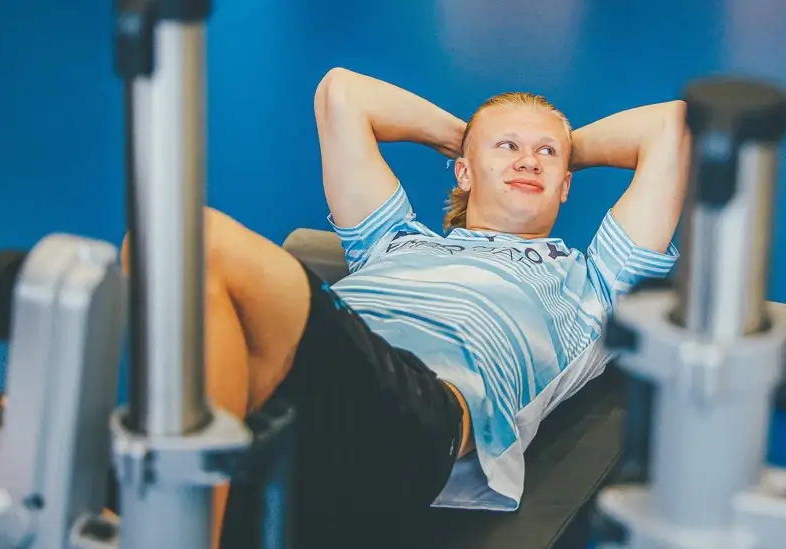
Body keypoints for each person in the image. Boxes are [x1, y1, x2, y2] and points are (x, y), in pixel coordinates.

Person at [120, 66, 689, 546]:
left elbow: (672, 128)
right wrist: (472, 136)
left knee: (202, 239)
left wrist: (553, 149)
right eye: (508, 147)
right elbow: (341, 92)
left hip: (416, 406)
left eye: (545, 154)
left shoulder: (593, 283)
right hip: (304, 374)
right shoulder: (392, 239)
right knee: (164, 248)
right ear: (464, 170)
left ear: (566, 184)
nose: (528, 160)